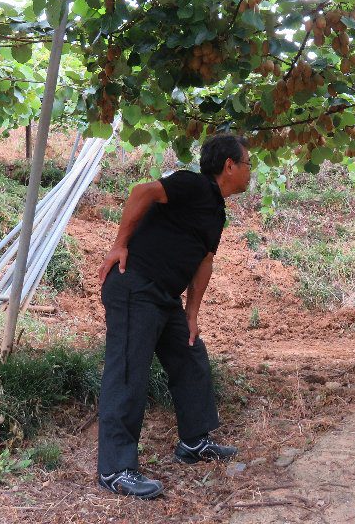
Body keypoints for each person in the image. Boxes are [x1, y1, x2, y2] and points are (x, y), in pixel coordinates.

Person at [96, 133, 253, 500]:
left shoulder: (215, 211)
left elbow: (204, 261)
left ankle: (194, 442)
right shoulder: (193, 185)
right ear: (229, 166)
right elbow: (141, 192)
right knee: (127, 372)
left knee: (190, 355)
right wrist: (119, 245)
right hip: (136, 285)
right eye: (247, 164)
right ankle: (115, 469)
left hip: (164, 296)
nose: (250, 172)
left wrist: (192, 312)